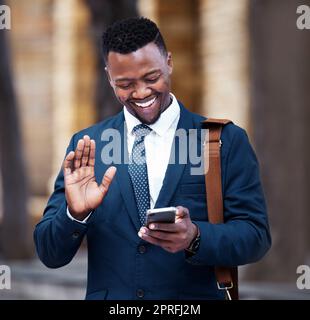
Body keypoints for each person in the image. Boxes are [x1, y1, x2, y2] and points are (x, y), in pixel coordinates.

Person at [34, 17, 271, 300]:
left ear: (169, 62)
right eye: (125, 84)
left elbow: (256, 236)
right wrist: (75, 214)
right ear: (109, 78)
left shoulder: (223, 140)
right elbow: (50, 253)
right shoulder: (88, 146)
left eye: (151, 77)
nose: (142, 92)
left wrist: (196, 236)